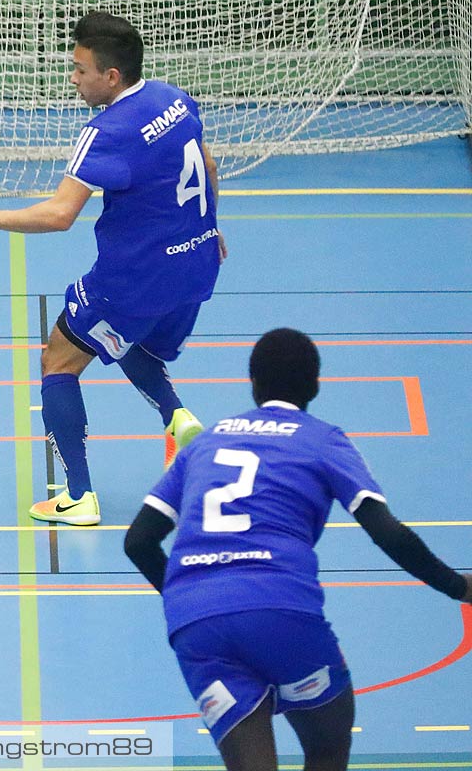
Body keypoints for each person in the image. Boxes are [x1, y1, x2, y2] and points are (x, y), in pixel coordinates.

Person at [123, 328, 468, 771]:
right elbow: (387, 533)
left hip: (196, 624)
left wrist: (188, 597)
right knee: (328, 739)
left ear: (253, 383)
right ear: (315, 386)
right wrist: (457, 586)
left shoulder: (205, 444)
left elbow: (138, 541)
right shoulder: (322, 440)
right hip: (280, 610)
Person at [0, 11, 222, 524]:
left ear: (110, 77)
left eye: (79, 70)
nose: (73, 80)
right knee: (124, 338)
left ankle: (80, 497)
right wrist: (208, 226)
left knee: (58, 359)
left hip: (135, 278)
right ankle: (176, 417)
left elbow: (60, 214)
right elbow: (207, 166)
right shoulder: (174, 99)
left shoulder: (106, 130)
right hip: (199, 266)